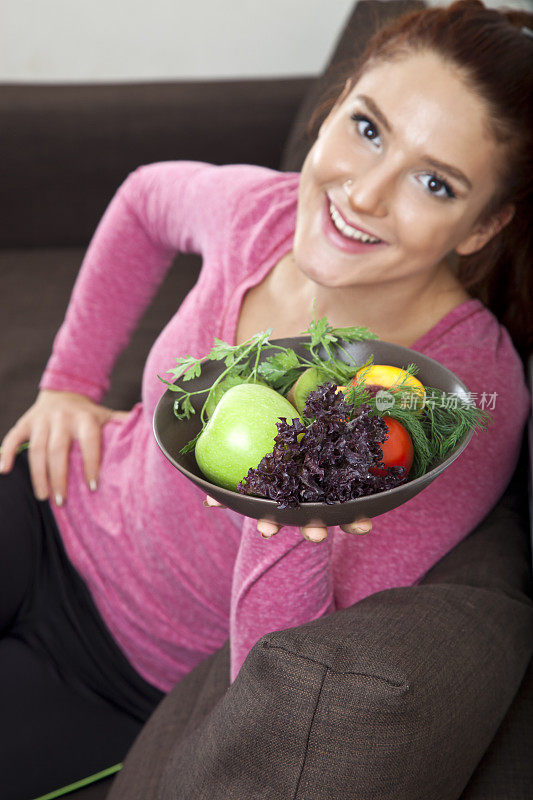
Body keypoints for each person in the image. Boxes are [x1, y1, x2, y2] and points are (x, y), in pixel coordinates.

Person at [1, 1, 532, 797]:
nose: (365, 193)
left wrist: (294, 511)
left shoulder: (450, 404)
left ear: (480, 226)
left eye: (433, 182)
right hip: (53, 502)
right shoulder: (260, 212)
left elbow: (273, 675)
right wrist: (67, 384)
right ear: (338, 100)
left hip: (132, 677)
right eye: (367, 127)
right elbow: (146, 199)